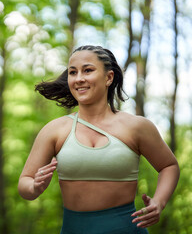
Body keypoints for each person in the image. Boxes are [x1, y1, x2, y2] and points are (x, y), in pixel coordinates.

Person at [18, 45, 180, 234]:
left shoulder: (136, 127)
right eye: (72, 72)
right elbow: (25, 182)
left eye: (88, 70)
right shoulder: (55, 130)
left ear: (109, 77)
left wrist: (159, 202)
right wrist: (35, 187)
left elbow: (169, 166)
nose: (79, 79)